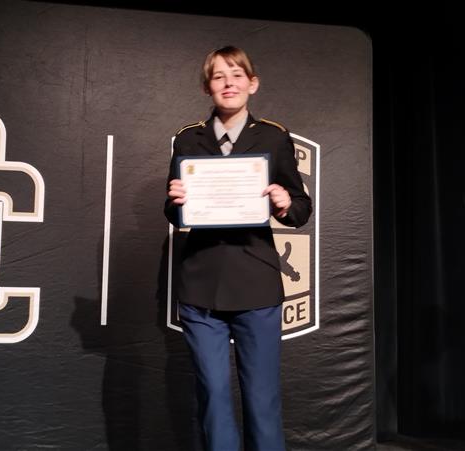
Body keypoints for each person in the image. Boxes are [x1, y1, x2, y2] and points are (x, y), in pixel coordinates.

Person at [164, 46, 312, 451]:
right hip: (201, 285)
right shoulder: (187, 139)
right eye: (218, 76)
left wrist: (284, 202)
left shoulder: (274, 136)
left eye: (236, 74)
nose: (228, 83)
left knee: (262, 400)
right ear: (207, 87)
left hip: (256, 284)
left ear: (252, 83)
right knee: (212, 396)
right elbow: (175, 213)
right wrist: (174, 201)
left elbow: (301, 208)